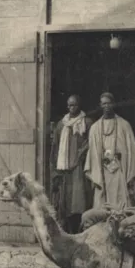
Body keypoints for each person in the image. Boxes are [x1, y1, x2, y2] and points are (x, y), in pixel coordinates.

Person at [84, 92, 135, 210]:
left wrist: (120, 155)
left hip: (119, 168)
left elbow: (131, 150)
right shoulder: (95, 128)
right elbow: (92, 153)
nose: (106, 106)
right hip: (102, 170)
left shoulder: (124, 125)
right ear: (100, 105)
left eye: (109, 103)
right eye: (104, 104)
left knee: (120, 199)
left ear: (114, 104)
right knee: (102, 202)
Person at [50, 95, 94, 234]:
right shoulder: (61, 125)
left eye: (74, 105)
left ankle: (80, 230)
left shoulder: (86, 123)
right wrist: (56, 170)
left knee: (80, 200)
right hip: (65, 169)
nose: (71, 108)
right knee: (65, 202)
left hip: (79, 168)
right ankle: (67, 231)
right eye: (69, 105)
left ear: (79, 105)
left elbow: (92, 143)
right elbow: (55, 147)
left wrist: (83, 152)